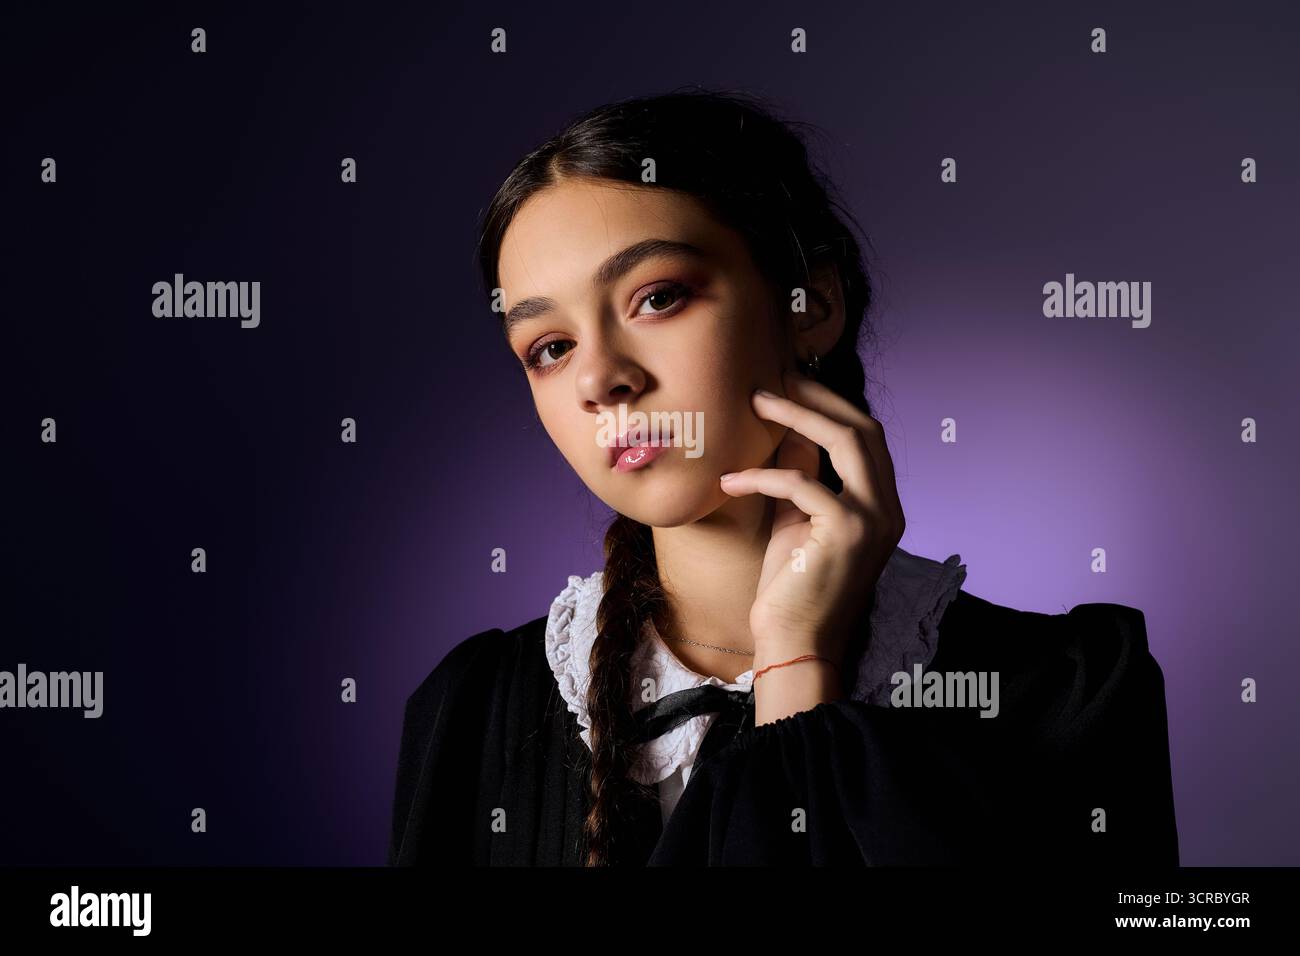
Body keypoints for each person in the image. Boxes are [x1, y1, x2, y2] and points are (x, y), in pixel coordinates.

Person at [387, 88, 1179, 867]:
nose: (600, 379)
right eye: (549, 348)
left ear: (812, 306)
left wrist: (798, 665)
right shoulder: (473, 708)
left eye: (656, 297)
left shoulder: (1067, 691)